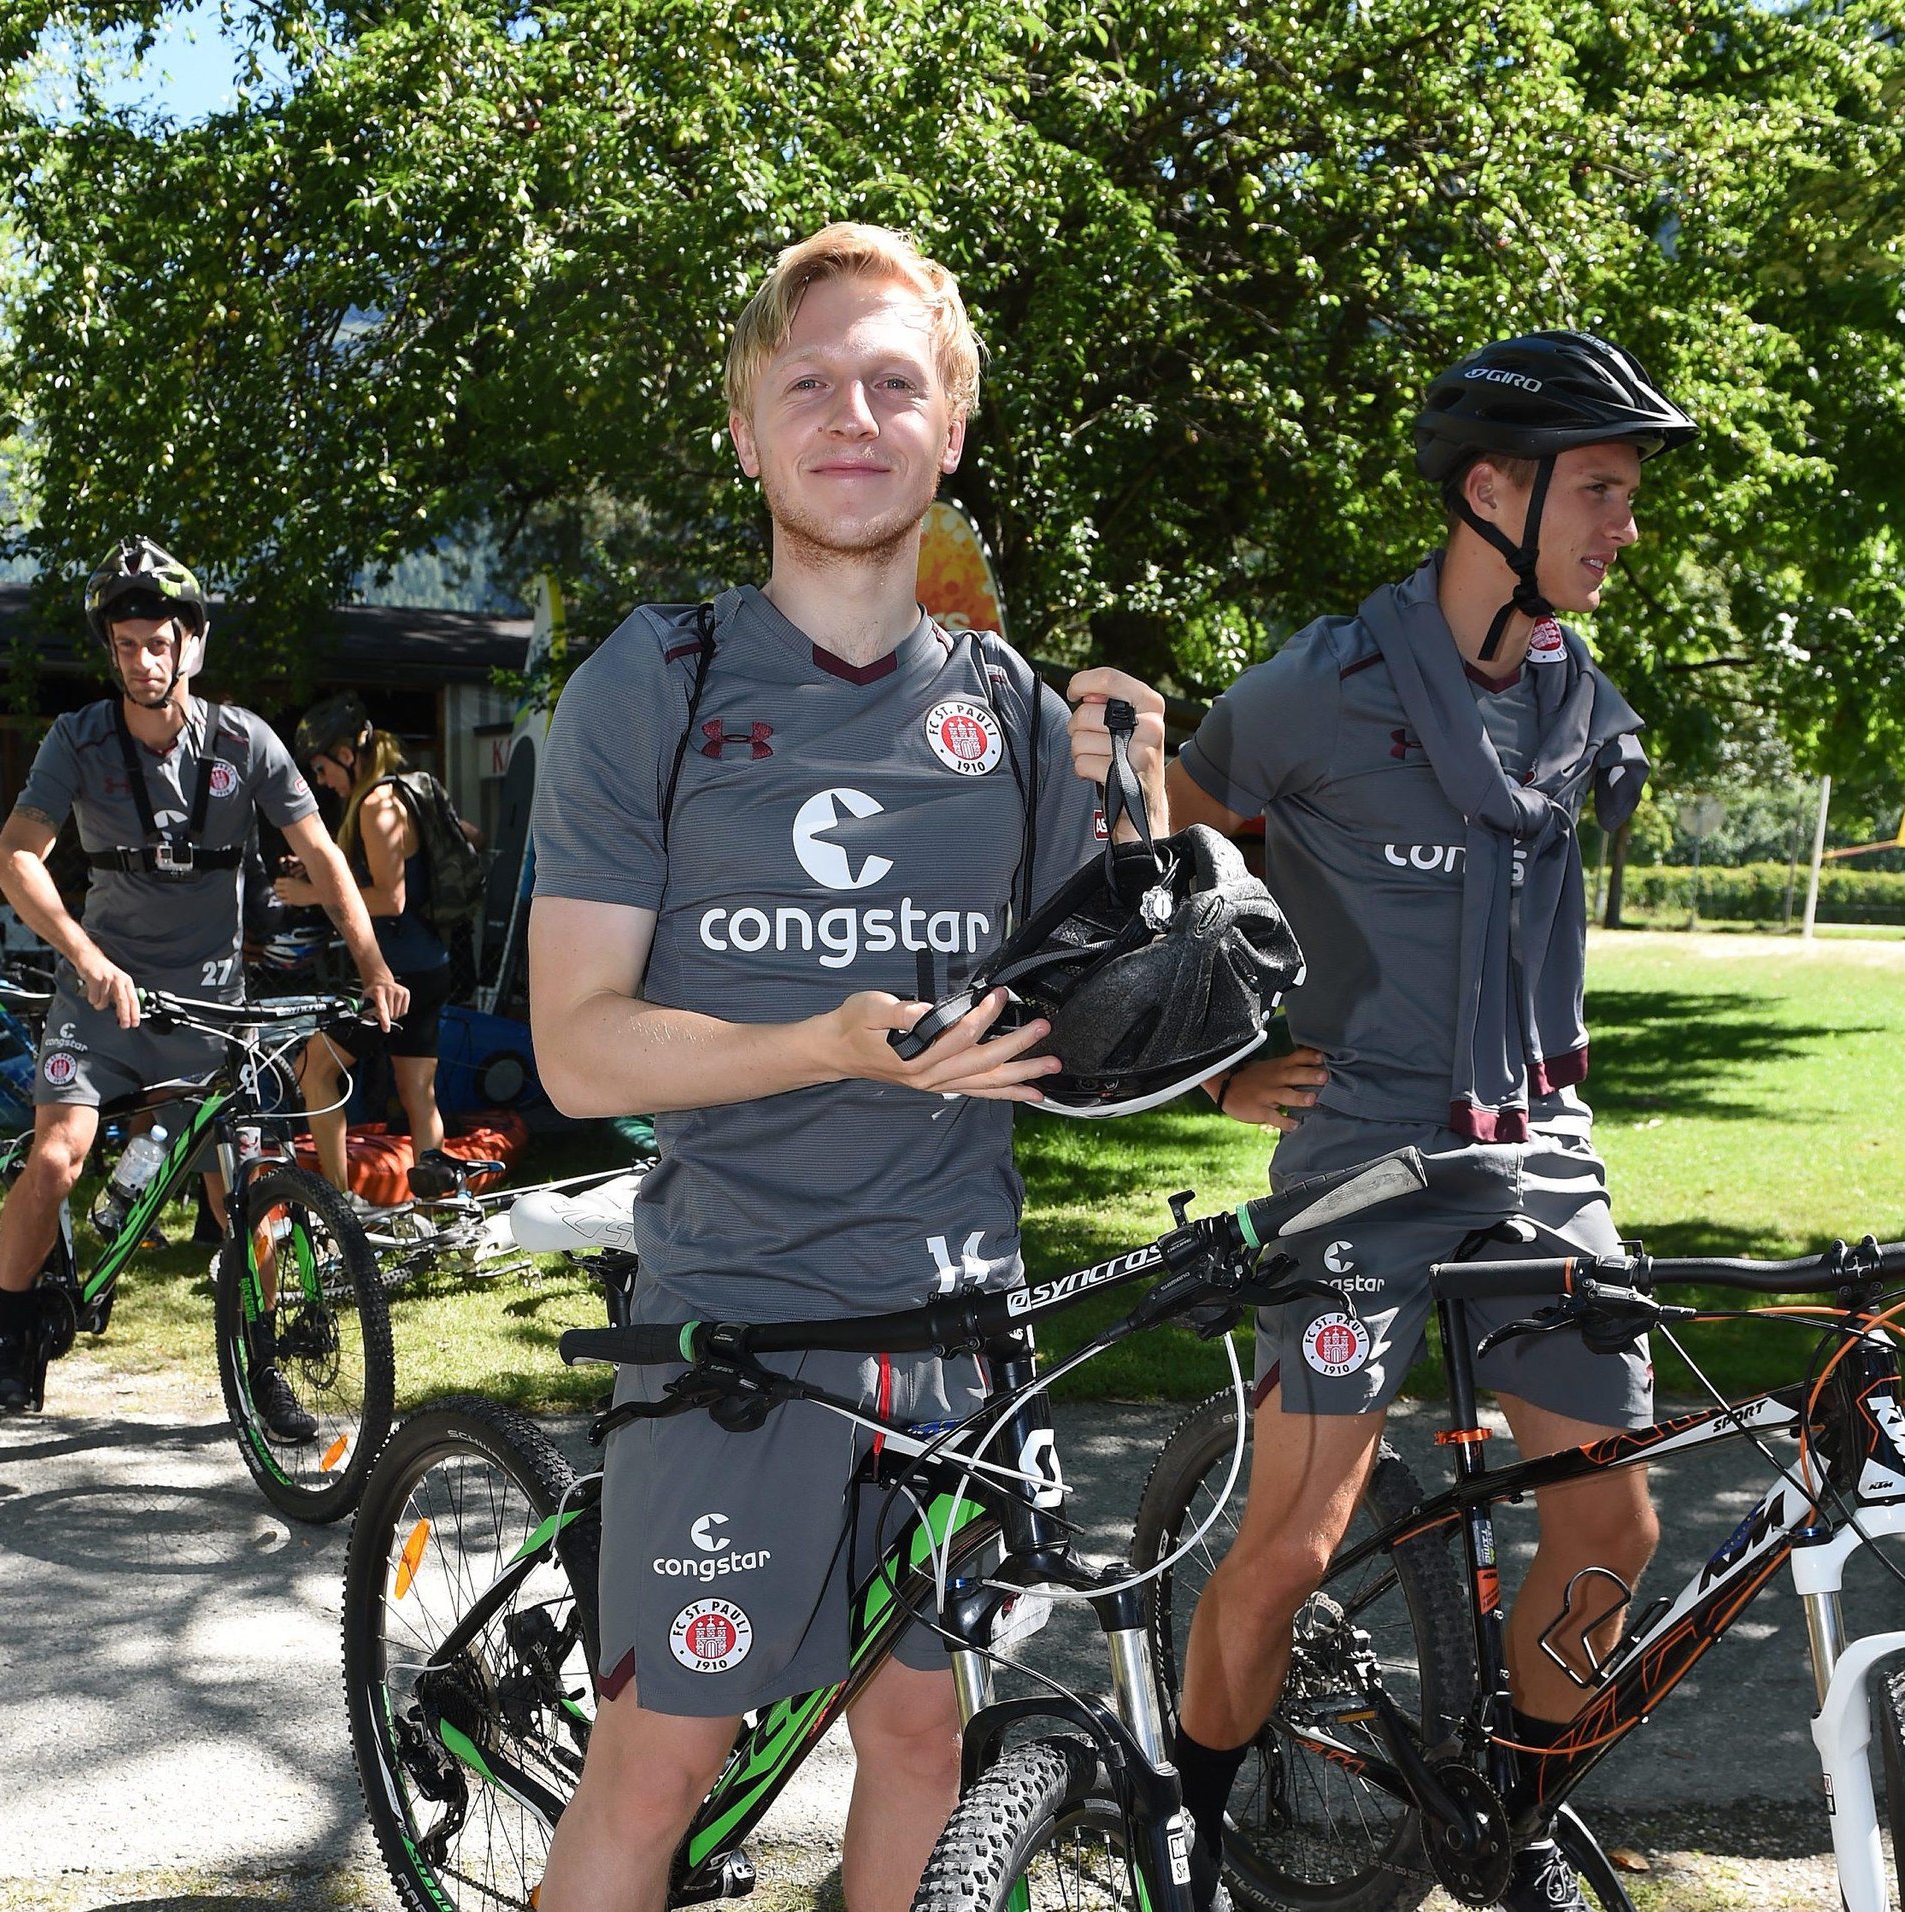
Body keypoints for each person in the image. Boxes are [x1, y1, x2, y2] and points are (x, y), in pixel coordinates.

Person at [524, 222, 1168, 1912]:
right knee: (659, 1767)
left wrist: (1139, 824)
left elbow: (1097, 1026)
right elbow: (577, 1047)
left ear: (950, 423)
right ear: (746, 428)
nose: (851, 414)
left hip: (959, 1329)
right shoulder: (652, 681)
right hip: (738, 1311)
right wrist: (818, 1042)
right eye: (806, 382)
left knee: (917, 1748)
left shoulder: (1020, 716)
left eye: (895, 381)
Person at [1166, 331, 1699, 1911]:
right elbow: (1174, 843)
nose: (1624, 526)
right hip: (1362, 1154)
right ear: (1492, 492)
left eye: (1626, 495)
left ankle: (1508, 1837)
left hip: (1535, 1148)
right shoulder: (1318, 686)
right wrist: (1219, 1057)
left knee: (1616, 1521)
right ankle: (1186, 1837)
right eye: (1599, 491)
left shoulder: (1572, 692)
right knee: (1291, 1551)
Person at [0, 537, 407, 1431]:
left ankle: (264, 1364)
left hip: (214, 1008)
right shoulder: (78, 740)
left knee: (254, 1190)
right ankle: (10, 1331)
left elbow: (324, 856)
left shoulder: (245, 743)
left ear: (191, 645)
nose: (141, 660)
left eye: (158, 642)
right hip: (101, 1001)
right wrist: (86, 959)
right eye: (125, 644)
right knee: (58, 1158)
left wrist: (372, 968)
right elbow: (15, 856)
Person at [277, 692, 455, 1211]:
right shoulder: (394, 796)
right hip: (427, 966)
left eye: (321, 767)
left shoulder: (378, 806)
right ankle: (435, 1203)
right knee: (417, 1093)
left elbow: (391, 899)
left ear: (347, 755)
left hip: (397, 975)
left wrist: (312, 894)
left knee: (314, 1069)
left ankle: (337, 1206)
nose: (321, 780)